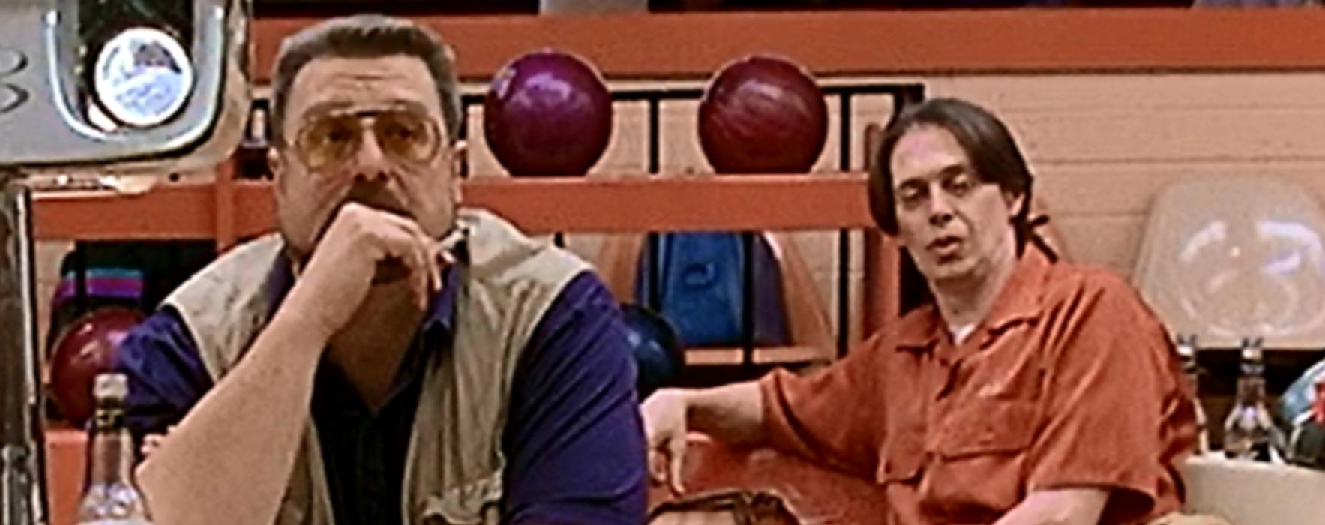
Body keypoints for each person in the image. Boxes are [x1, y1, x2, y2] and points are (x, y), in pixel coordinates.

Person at [117, 15, 648, 525]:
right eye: (331, 137)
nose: (370, 165)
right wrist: (307, 319)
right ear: (279, 178)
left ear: (455, 171)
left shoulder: (556, 317)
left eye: (404, 134)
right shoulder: (191, 340)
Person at [641, 98, 1199, 525]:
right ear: (898, 230)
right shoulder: (901, 353)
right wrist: (682, 402)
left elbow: (1062, 515)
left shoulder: (1092, 311)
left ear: (1013, 198)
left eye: (959, 186)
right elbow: (781, 409)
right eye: (913, 197)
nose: (939, 211)